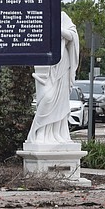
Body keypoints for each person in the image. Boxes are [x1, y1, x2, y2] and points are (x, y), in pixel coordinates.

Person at [25, 12, 79, 144]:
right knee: (47, 97)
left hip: (61, 61)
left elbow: (72, 35)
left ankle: (57, 133)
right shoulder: (37, 14)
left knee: (60, 99)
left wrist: (56, 29)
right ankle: (40, 131)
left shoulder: (61, 15)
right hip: (44, 63)